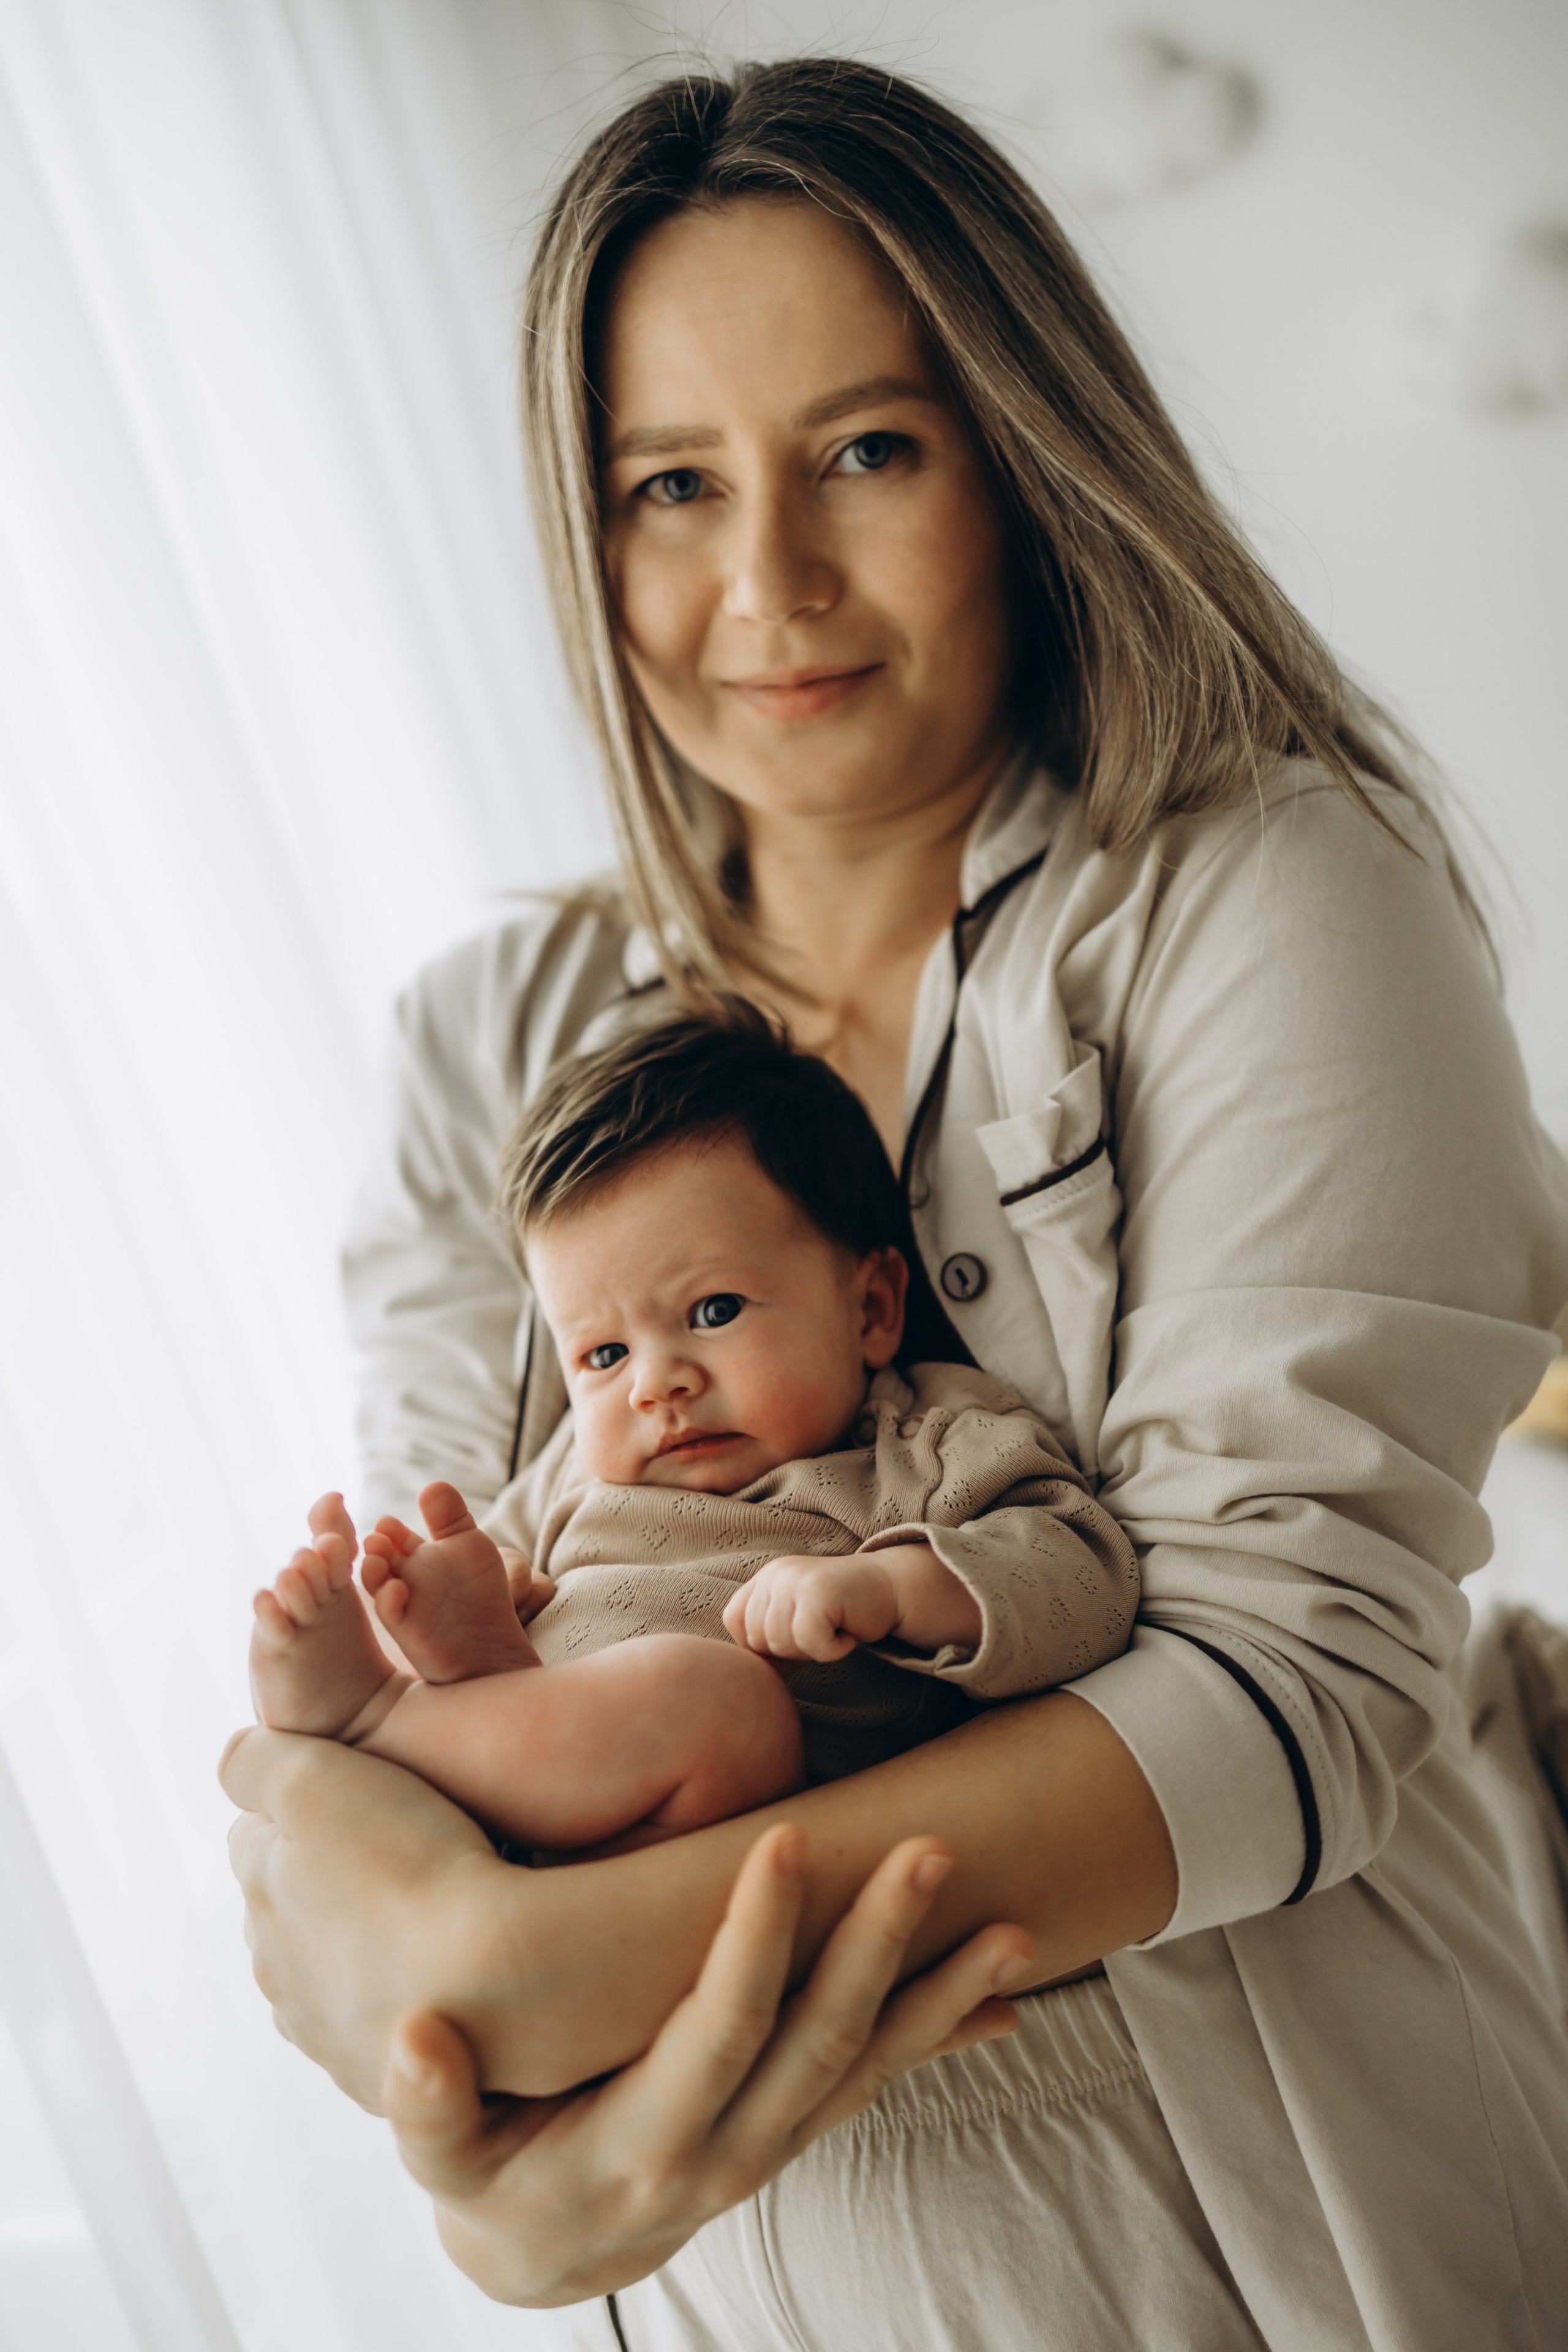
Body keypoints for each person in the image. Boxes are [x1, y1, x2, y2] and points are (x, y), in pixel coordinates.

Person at [222, 56, 1568, 2349]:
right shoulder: (488, 1052)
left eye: (865, 449)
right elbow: (425, 1727)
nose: (767, 587)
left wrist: (528, 1979)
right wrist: (453, 2105)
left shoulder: (1269, 898)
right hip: (792, 2276)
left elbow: (1286, 1689)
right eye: (670, 484)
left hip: (1305, 2219)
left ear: (1016, 463)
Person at [247, 1009, 1137, 1850]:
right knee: (444, 1607)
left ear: (871, 1307)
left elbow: (1086, 1576)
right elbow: (494, 1555)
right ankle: (440, 1701)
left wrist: (896, 1589)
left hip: (699, 1833)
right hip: (522, 1792)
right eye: (601, 1356)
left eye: (713, 1310)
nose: (655, 1384)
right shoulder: (577, 1467)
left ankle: (382, 1723)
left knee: (718, 1701)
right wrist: (474, 1591)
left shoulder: (924, 1440)